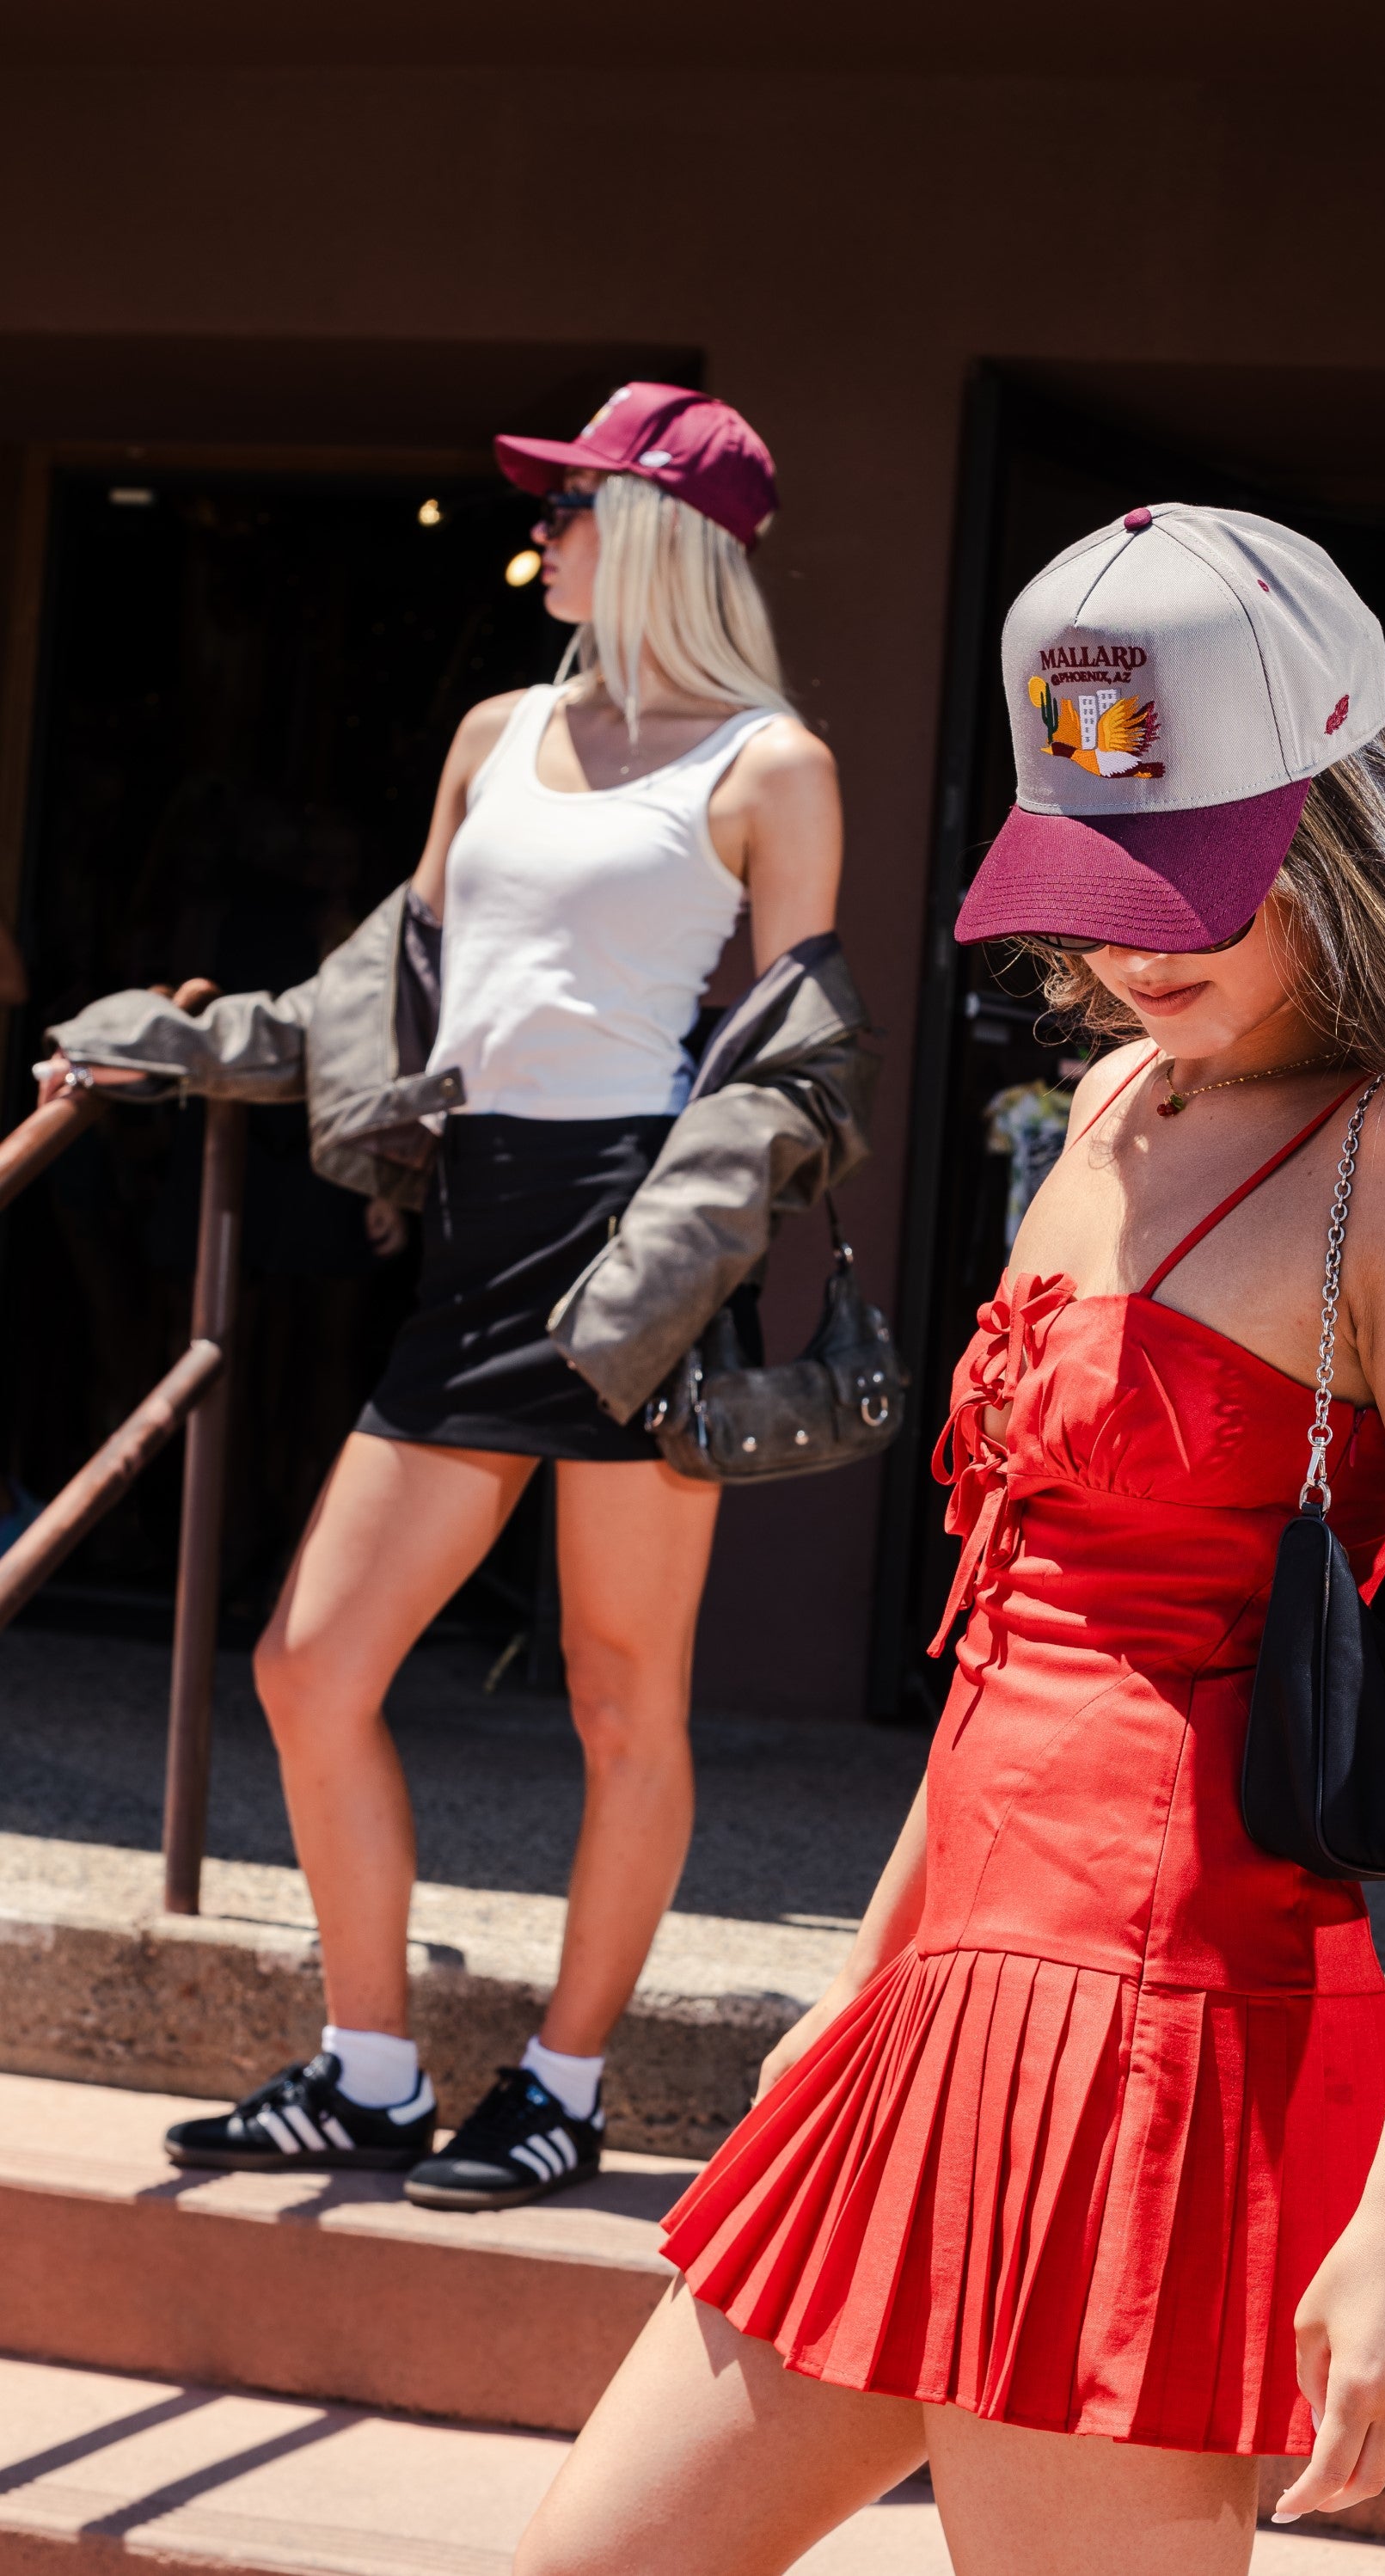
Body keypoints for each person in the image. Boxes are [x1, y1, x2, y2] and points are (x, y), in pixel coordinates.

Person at [512, 504, 1385, 2576]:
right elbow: (1016, 1626)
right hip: (943, 1999)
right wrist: (861, 1984)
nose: (1132, 950)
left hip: (1162, 2036)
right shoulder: (1114, 1104)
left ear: (1336, 819)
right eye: (1095, 889)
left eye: (1190, 879)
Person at [40, 383, 855, 2210]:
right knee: (310, 1663)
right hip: (484, 1230)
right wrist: (175, 1047)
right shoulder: (499, 729)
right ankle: (373, 2071)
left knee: (621, 1699)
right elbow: (384, 991)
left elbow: (800, 1057)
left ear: (657, 536)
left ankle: (560, 2087)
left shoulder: (770, 764)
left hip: (644, 1245)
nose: (541, 534)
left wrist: (683, 1247)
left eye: (572, 507)